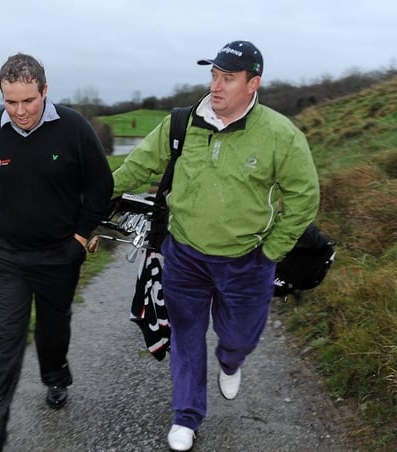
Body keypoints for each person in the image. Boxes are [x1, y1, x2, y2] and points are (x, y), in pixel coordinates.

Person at [111, 40, 319, 451]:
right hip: (184, 255)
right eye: (213, 75)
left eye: (228, 77)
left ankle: (231, 359)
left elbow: (304, 196)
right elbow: (137, 167)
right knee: (187, 336)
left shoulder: (280, 135)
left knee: (238, 336)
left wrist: (273, 252)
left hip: (248, 262)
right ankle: (186, 417)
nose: (216, 85)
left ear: (252, 83)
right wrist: (89, 194)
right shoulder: (181, 123)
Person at [0, 53, 114, 451]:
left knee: (52, 330)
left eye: (28, 101)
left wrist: (80, 238)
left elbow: (100, 186)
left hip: (58, 256)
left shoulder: (74, 129)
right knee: (5, 338)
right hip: (5, 257)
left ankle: (56, 374)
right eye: (10, 102)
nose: (20, 111)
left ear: (45, 91)